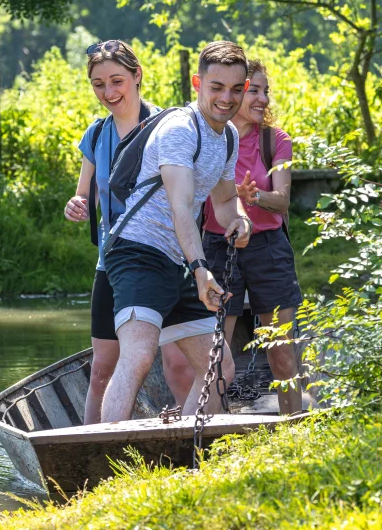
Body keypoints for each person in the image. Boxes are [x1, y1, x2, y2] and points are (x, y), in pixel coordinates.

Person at [100, 41, 253, 423]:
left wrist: (240, 219)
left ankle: (186, 453)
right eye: (216, 87)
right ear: (197, 83)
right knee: (138, 355)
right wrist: (201, 268)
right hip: (137, 249)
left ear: (245, 87)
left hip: (177, 258)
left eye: (236, 89)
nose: (226, 98)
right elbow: (181, 206)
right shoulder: (181, 129)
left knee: (219, 368)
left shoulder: (228, 137)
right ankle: (104, 463)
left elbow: (221, 203)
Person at [64, 39, 187, 424]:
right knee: (102, 368)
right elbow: (83, 194)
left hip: (165, 258)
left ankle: (196, 445)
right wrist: (76, 205)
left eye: (117, 81)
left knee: (179, 366)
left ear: (137, 76)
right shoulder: (97, 135)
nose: (108, 93)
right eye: (98, 84)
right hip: (113, 263)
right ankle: (88, 449)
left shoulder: (167, 128)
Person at [202, 58, 304, 415]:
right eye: (253, 91)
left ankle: (295, 430)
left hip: (268, 250)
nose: (262, 99)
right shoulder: (210, 136)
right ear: (235, 94)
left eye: (265, 91)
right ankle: (212, 433)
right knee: (218, 352)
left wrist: (253, 196)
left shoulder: (275, 141)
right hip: (218, 248)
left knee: (281, 353)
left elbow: (283, 200)